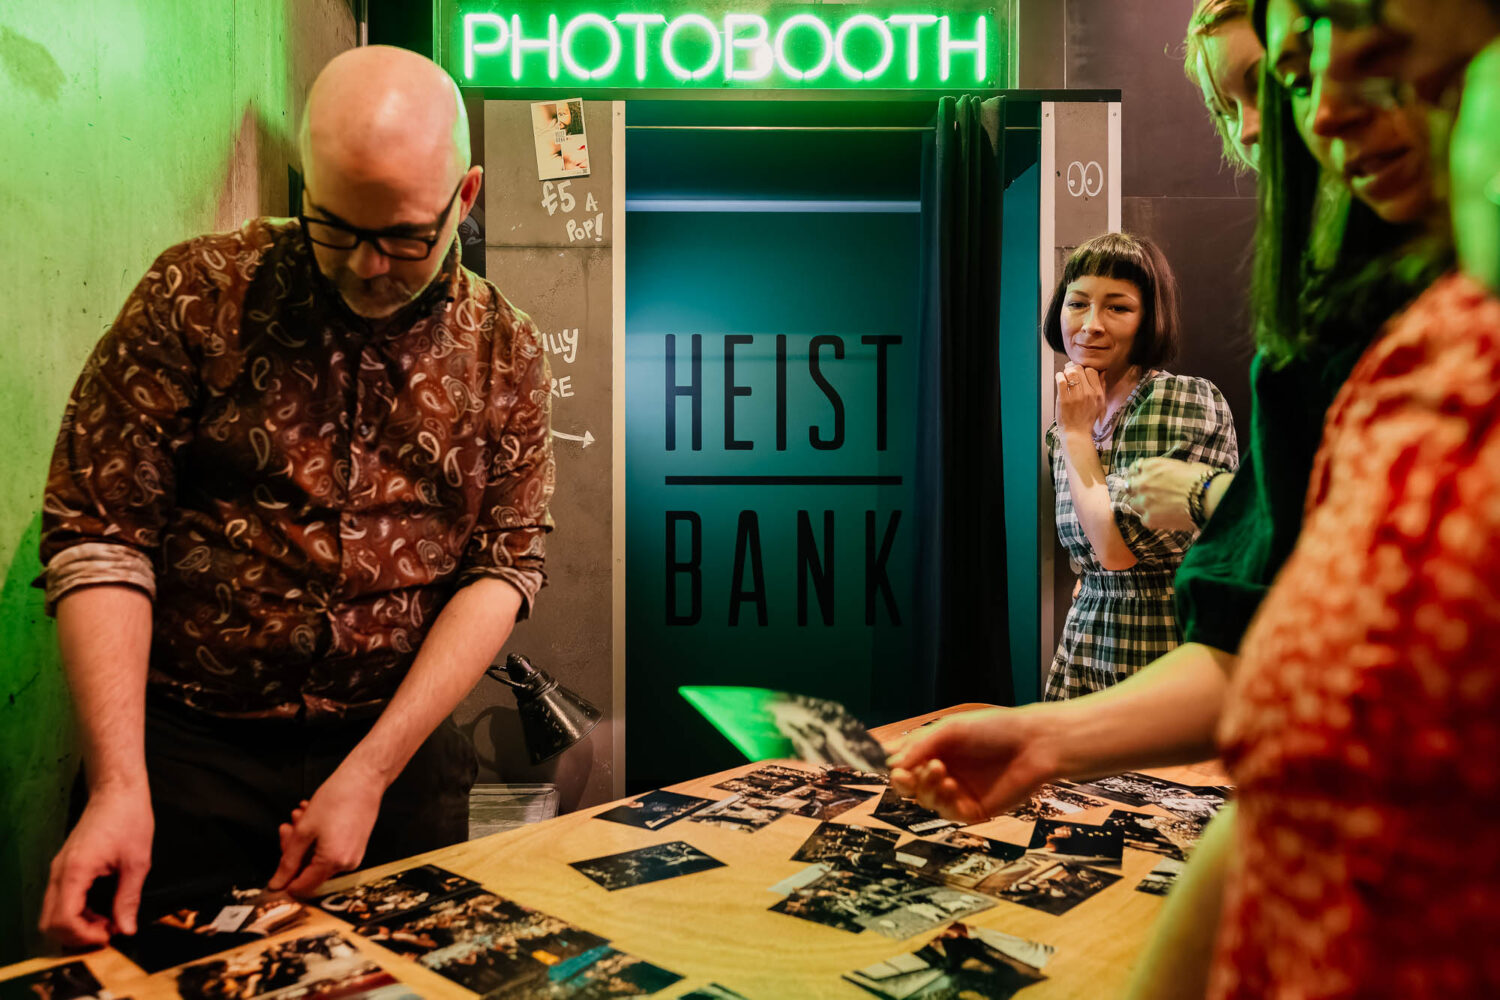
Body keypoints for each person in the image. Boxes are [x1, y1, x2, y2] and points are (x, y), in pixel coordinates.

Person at [37, 45, 554, 947]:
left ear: (463, 200)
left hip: (399, 757)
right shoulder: (194, 295)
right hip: (188, 757)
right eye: (333, 225)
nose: (365, 265)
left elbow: (504, 568)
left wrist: (371, 771)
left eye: (402, 236)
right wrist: (121, 784)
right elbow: (101, 534)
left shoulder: (505, 350)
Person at [1041, 232, 1238, 700]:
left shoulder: (1181, 398)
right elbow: (1090, 564)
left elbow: (1116, 550)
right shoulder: (1068, 428)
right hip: (1083, 654)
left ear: (1148, 319)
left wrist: (1074, 434)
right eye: (1077, 303)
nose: (1090, 325)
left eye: (1117, 307)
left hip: (1163, 651)